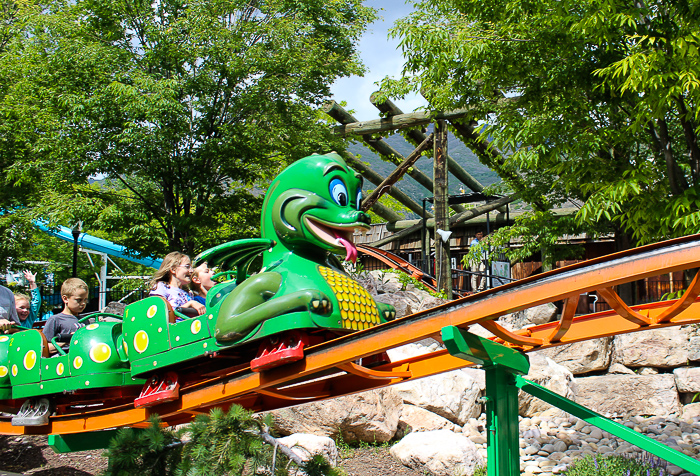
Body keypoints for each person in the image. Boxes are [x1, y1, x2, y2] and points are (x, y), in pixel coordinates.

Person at [149, 252, 205, 316]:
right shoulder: (162, 287)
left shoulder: (188, 294)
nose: (192, 271)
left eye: (191, 267)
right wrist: (189, 304)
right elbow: (159, 313)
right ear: (173, 269)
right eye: (187, 267)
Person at [43, 278, 89, 353]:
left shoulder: (85, 320)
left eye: (85, 300)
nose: (83, 303)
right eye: (79, 300)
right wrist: (67, 341)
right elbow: (45, 348)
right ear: (65, 299)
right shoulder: (56, 320)